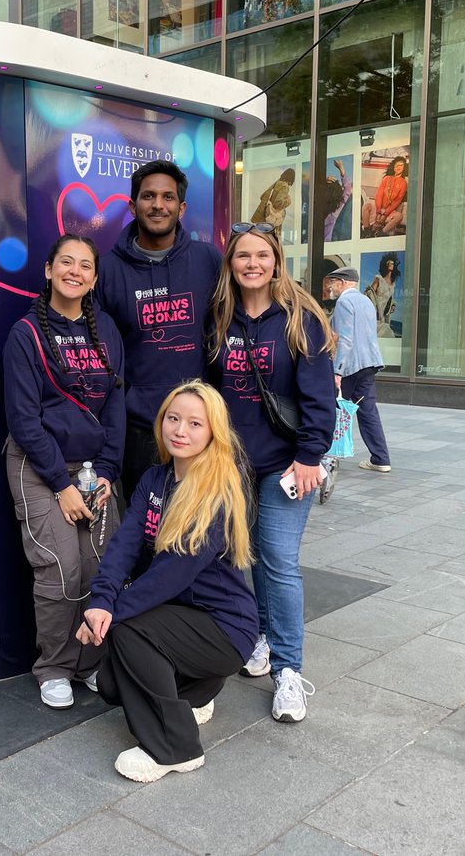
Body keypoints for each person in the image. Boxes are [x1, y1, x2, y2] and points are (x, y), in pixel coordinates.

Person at [76, 381, 256, 783]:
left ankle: (174, 747)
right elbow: (123, 546)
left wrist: (110, 616)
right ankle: (197, 693)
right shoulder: (155, 479)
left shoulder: (218, 492)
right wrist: (102, 601)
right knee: (110, 685)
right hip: (182, 617)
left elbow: (170, 575)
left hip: (225, 627)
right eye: (173, 419)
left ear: (213, 432)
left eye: (195, 423)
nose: (180, 430)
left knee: (127, 636)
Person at [207, 223, 336, 722]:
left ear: (277, 260)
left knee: (279, 560)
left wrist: (309, 457)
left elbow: (320, 399)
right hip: (230, 463)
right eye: (243, 256)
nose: (253, 263)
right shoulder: (219, 317)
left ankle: (287, 670)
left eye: (262, 255)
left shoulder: (301, 319)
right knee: (249, 555)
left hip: (286, 464)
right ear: (232, 263)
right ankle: (260, 635)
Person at [3, 234, 125, 709]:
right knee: (60, 569)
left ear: (94, 278)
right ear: (49, 270)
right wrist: (60, 484)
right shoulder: (26, 333)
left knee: (98, 567)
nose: (75, 271)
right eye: (66, 263)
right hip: (39, 466)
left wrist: (110, 472)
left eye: (85, 266)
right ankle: (53, 667)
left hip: (95, 471)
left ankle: (89, 663)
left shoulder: (108, 330)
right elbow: (24, 420)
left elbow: (115, 405)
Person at [95, 160, 221, 505]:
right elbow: (97, 347)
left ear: (181, 209)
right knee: (144, 529)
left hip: (198, 424)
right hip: (138, 427)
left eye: (168, 197)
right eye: (148, 196)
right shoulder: (105, 270)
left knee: (196, 528)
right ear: (133, 206)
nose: (158, 205)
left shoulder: (208, 260)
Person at [326, 265, 391, 473]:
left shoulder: (344, 301)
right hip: (369, 362)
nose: (330, 287)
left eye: (333, 282)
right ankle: (381, 459)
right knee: (368, 411)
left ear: (343, 282)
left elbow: (345, 338)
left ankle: (326, 455)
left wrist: (337, 371)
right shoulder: (366, 301)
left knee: (332, 408)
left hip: (350, 365)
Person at [361, 156, 408, 238]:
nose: (399, 167)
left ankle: (380, 234)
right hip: (378, 208)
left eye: (401, 165)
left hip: (390, 211)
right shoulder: (386, 178)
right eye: (397, 165)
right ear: (393, 167)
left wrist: (385, 214)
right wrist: (379, 211)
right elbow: (379, 195)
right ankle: (367, 231)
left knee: (399, 216)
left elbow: (397, 201)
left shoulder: (403, 183)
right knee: (366, 206)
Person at [366, 253, 401, 338]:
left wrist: (392, 305)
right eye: (388, 263)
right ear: (385, 265)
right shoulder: (379, 278)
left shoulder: (393, 284)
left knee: (384, 331)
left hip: (384, 315)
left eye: (392, 263)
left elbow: (390, 298)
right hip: (375, 310)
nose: (390, 264)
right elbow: (370, 293)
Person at [323, 158, 352, 242]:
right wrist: (341, 168)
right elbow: (347, 189)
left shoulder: (316, 208)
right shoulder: (335, 211)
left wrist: (322, 182)